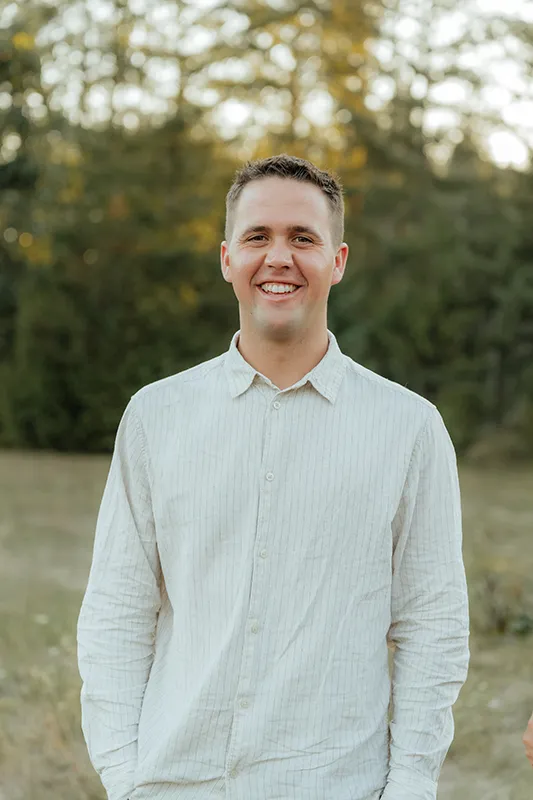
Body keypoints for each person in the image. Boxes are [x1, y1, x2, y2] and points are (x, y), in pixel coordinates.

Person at [77, 153, 470, 800]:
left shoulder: (410, 429)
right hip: (174, 784)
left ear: (336, 262)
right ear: (227, 257)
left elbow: (432, 624)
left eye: (303, 239)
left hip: (335, 786)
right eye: (258, 236)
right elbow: (118, 612)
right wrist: (125, 778)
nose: (278, 257)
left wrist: (408, 787)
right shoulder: (156, 416)